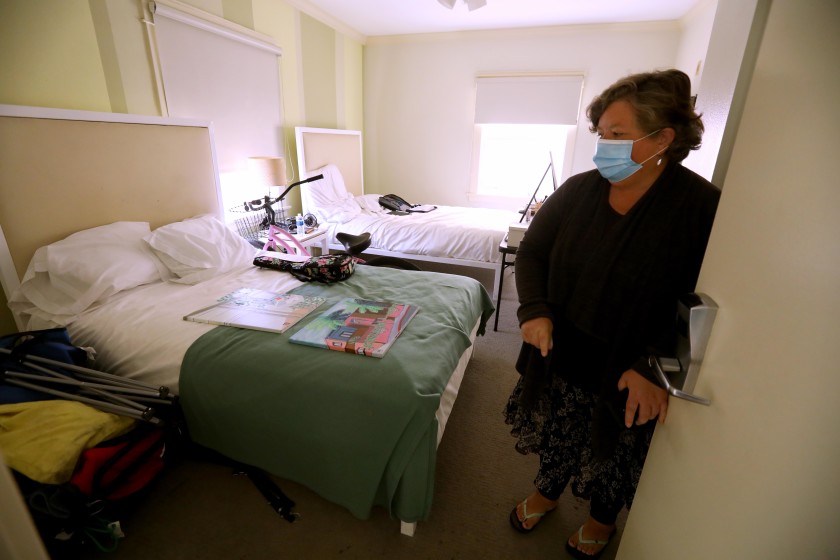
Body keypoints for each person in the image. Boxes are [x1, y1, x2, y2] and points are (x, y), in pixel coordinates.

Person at [504, 69, 720, 559]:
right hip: (564, 345)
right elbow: (533, 252)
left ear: (663, 137)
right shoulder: (580, 190)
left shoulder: (699, 207)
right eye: (601, 133)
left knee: (618, 446)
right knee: (561, 426)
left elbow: (699, 302)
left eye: (618, 134)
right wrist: (533, 311)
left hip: (633, 361)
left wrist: (651, 366)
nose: (604, 144)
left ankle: (602, 521)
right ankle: (546, 491)